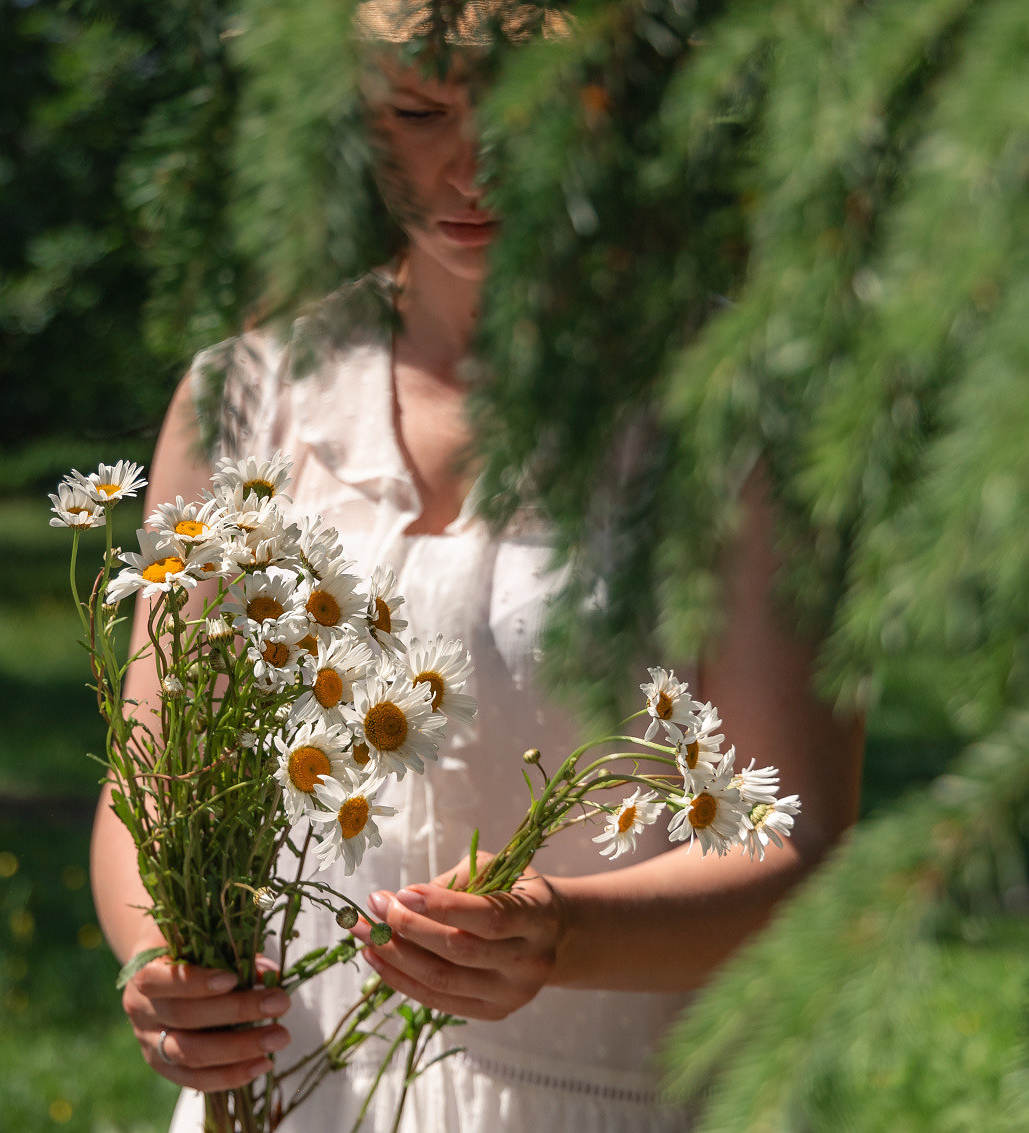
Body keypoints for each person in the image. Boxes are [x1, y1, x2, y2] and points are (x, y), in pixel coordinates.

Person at [89, 12, 865, 1131]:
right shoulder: (247, 396)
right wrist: (159, 961)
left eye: (523, 111)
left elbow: (797, 843)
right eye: (418, 112)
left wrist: (562, 933)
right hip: (292, 1096)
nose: (472, 164)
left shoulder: (732, 412)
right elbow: (151, 778)